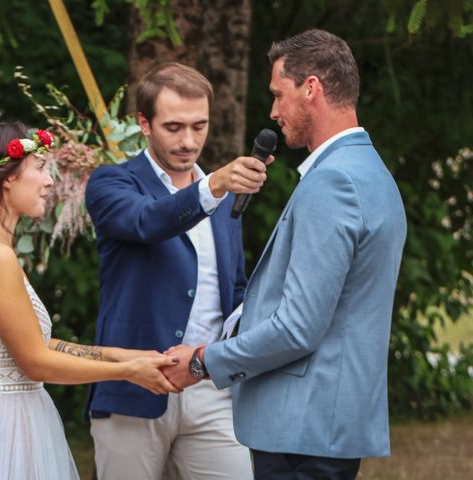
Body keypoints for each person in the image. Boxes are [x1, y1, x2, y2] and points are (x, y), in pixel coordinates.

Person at [163, 29, 407, 479]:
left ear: (310, 88)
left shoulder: (334, 182)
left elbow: (298, 327)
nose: (273, 112)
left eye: (279, 94)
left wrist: (202, 361)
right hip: (323, 424)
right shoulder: (371, 173)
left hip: (303, 429)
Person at [0, 122, 180, 480]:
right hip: (0, 431)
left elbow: (37, 345)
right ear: (8, 178)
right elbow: (36, 362)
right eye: (40, 168)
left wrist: (128, 355)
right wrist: (127, 372)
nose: (50, 181)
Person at [84, 62, 270, 479]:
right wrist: (214, 187)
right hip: (133, 387)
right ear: (144, 124)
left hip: (211, 388)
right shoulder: (111, 183)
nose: (189, 141)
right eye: (174, 127)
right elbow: (148, 222)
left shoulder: (222, 201)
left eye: (199, 126)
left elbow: (234, 289)